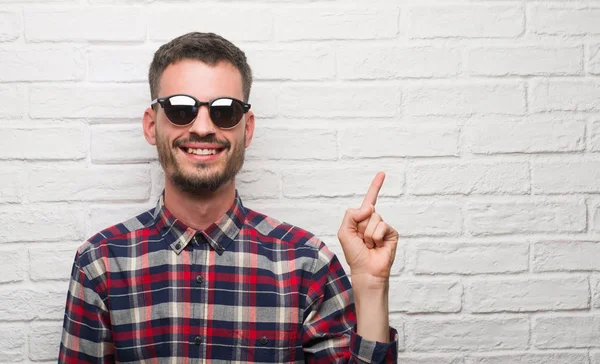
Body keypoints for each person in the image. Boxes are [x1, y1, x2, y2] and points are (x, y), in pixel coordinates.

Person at [58, 32, 399, 363]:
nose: (203, 127)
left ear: (247, 128)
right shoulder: (100, 264)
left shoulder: (307, 265)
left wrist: (371, 287)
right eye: (180, 108)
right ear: (151, 125)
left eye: (224, 110)